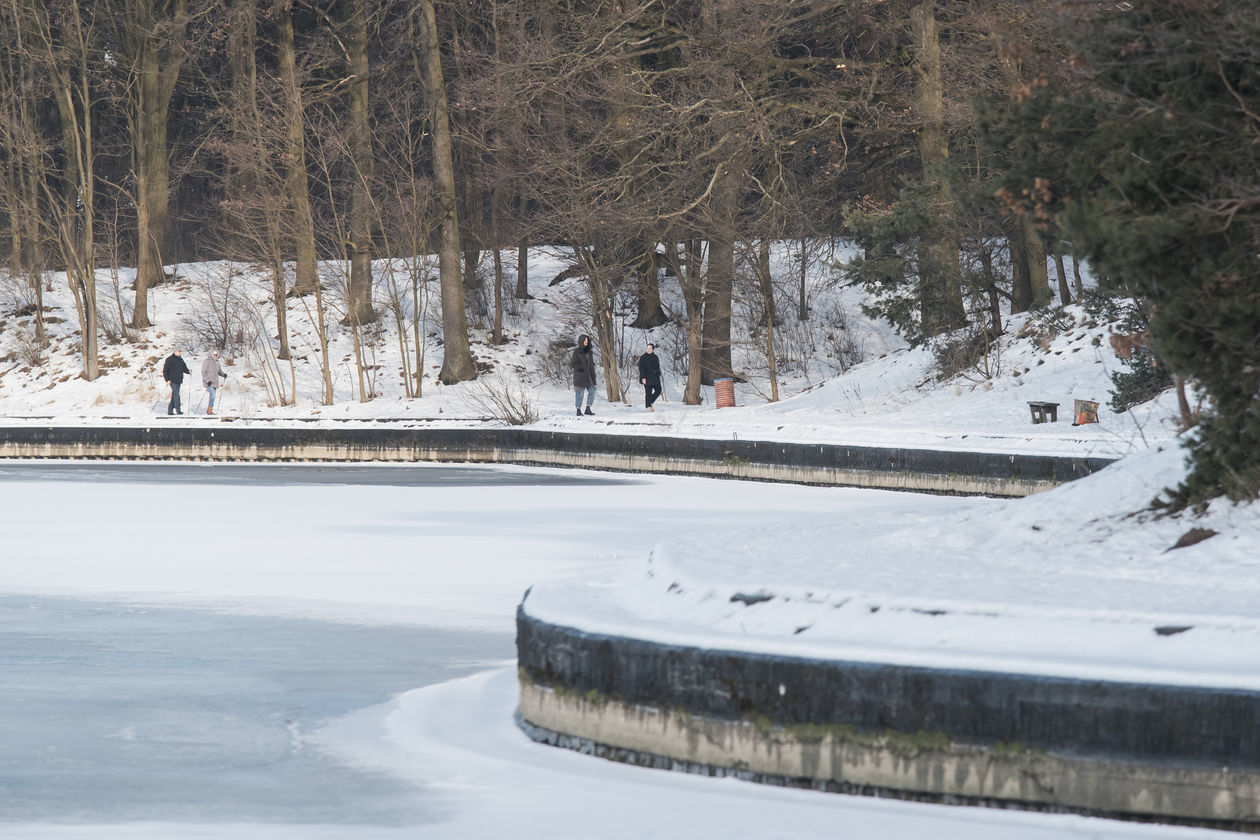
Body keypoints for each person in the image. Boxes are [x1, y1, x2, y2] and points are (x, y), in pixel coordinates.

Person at [571, 333, 598, 416]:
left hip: (589, 376)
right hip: (580, 376)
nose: (586, 341)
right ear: (581, 341)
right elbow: (573, 363)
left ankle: (588, 408)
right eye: (585, 340)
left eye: (587, 340)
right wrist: (581, 367)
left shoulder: (590, 352)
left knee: (592, 391)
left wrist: (593, 376)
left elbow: (591, 365)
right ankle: (578, 410)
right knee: (580, 393)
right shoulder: (577, 351)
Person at [162, 349, 191, 415]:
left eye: (180, 351)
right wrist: (167, 380)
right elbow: (165, 371)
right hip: (172, 380)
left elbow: (184, 368)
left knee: (174, 395)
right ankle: (178, 410)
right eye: (179, 351)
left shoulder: (180, 359)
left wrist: (188, 371)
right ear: (175, 352)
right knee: (177, 395)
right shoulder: (169, 359)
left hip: (179, 380)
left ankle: (170, 411)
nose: (180, 352)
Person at [201, 351, 228, 415]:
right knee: (212, 395)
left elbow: (219, 371)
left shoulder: (217, 362)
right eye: (214, 354)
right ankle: (209, 410)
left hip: (215, 382)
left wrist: (223, 374)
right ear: (211, 354)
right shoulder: (207, 361)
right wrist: (207, 381)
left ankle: (209, 409)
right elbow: (203, 372)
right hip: (209, 382)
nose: (215, 355)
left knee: (213, 396)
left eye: (216, 354)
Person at [638, 342, 662, 412]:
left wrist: (658, 373)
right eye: (647, 348)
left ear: (653, 349)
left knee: (658, 390)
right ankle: (648, 407)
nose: (648, 349)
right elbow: (641, 368)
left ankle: (650, 402)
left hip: (655, 378)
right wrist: (643, 378)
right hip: (646, 378)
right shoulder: (643, 357)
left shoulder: (655, 357)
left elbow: (658, 367)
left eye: (650, 348)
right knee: (648, 393)